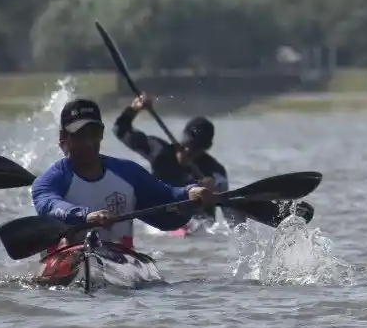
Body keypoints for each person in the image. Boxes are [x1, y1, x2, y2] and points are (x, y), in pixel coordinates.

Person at [32, 99, 219, 279]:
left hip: (119, 258)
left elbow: (167, 197)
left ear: (102, 134)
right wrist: (86, 215)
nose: (88, 142)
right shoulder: (48, 182)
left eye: (93, 134)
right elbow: (50, 206)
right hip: (68, 256)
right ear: (63, 137)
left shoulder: (128, 173)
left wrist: (191, 192)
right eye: (79, 135)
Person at [114, 92, 309, 228]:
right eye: (186, 145)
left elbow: (228, 217)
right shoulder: (158, 150)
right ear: (182, 139)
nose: (188, 151)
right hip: (158, 217)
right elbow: (120, 130)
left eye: (195, 149)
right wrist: (133, 109)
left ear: (206, 148)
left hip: (197, 224)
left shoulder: (215, 171)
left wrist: (213, 192)